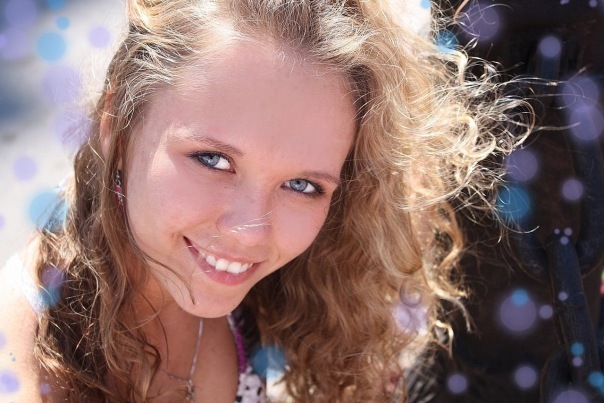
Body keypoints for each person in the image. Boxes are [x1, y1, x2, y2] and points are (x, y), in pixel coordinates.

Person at [0, 0, 530, 401]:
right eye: (213, 159)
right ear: (117, 124)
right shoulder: (21, 345)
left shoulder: (292, 301)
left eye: (302, 185)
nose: (251, 231)